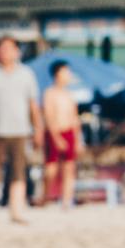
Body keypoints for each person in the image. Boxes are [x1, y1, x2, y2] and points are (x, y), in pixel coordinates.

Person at [0, 37, 41, 223]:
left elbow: (33, 104)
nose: (5, 52)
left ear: (17, 52)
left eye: (9, 48)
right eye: (2, 48)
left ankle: (16, 211)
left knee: (18, 173)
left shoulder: (26, 73)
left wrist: (38, 129)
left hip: (20, 130)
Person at [40, 62, 82, 208]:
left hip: (69, 131)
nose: (68, 75)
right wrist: (56, 137)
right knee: (51, 168)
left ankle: (66, 200)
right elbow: (49, 117)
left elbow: (74, 117)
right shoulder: (49, 93)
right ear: (57, 74)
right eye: (65, 72)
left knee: (69, 167)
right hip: (54, 132)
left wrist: (77, 139)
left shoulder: (69, 94)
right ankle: (45, 196)